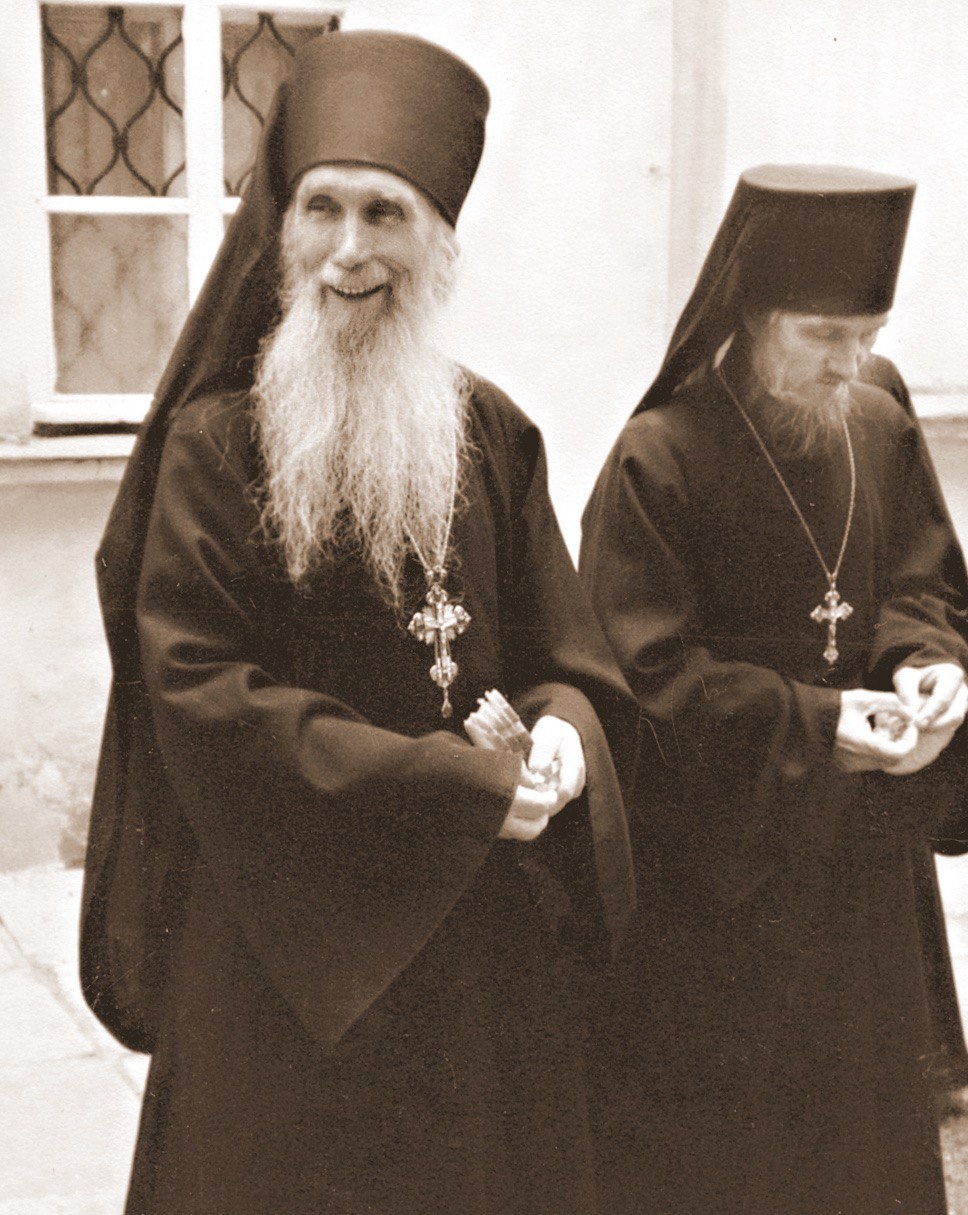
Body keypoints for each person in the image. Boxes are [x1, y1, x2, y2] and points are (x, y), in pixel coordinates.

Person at [79, 31, 634, 1215]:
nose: (348, 249)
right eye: (321, 208)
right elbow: (202, 692)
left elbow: (569, 657)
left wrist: (562, 741)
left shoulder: (496, 436)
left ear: (439, 242)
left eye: (385, 213)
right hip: (284, 968)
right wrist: (456, 788)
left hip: (480, 970)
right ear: (282, 231)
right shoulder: (218, 446)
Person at [580, 165, 968, 1214]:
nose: (851, 362)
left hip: (860, 875)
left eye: (868, 334)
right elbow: (642, 677)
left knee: (862, 1151)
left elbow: (918, 586)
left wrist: (927, 669)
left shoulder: (879, 423)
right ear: (753, 315)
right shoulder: (659, 457)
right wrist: (819, 722)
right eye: (823, 336)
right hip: (719, 890)